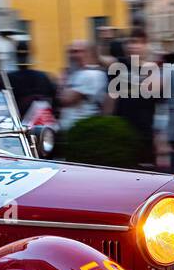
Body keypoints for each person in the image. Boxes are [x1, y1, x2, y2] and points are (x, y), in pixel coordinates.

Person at [106, 27, 159, 167]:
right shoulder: (117, 67)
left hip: (145, 133)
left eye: (137, 42)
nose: (132, 46)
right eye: (130, 42)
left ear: (146, 45)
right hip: (121, 131)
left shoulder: (154, 68)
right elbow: (111, 98)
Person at [2, 41, 59, 124]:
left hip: (19, 124)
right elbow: (55, 101)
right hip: (43, 124)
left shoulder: (8, 79)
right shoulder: (44, 76)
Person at [59, 40, 108, 131]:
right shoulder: (78, 72)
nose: (72, 55)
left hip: (80, 128)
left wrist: (63, 81)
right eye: (71, 52)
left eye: (77, 51)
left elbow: (66, 99)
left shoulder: (91, 74)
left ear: (88, 53)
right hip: (72, 127)